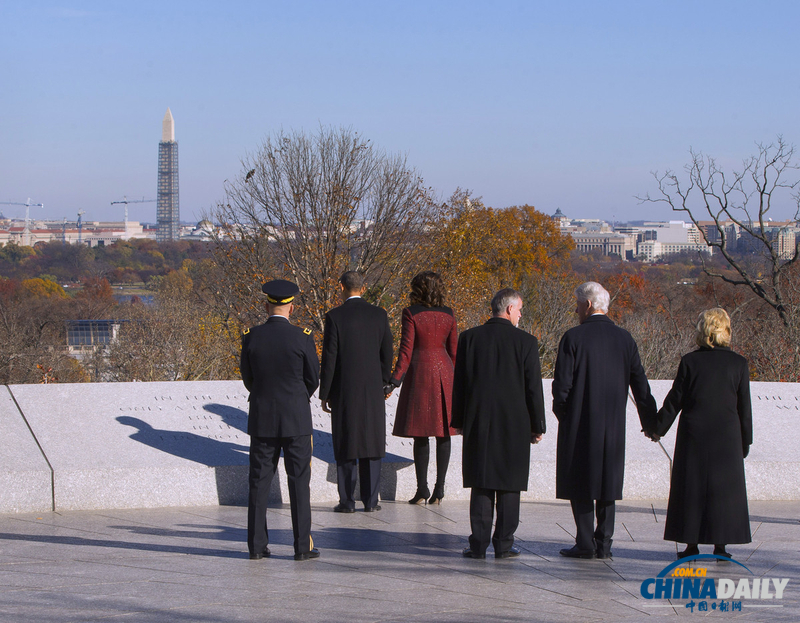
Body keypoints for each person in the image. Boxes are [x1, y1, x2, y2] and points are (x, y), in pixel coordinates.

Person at [552, 281, 657, 560]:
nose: (575, 310)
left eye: (577, 304)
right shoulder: (625, 339)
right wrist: (652, 423)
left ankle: (585, 542)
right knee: (608, 483)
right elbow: (641, 387)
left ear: (587, 305)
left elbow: (561, 387)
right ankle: (604, 543)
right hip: (613, 425)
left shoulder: (573, 338)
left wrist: (566, 417)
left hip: (579, 422)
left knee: (581, 482)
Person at [646, 308, 752, 560]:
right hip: (727, 437)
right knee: (723, 491)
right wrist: (745, 441)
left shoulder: (690, 362)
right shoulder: (739, 363)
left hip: (694, 435)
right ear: (725, 330)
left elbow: (675, 401)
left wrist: (656, 428)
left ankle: (691, 544)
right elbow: (744, 408)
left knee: (690, 488)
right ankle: (721, 546)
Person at [452, 288, 546, 559]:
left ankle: (478, 544)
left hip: (478, 420)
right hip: (515, 423)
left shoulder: (469, 338)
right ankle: (504, 544)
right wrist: (537, 425)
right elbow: (533, 389)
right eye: (519, 310)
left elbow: (460, 386)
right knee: (509, 484)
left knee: (481, 482)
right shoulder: (526, 342)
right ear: (508, 309)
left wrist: (458, 420)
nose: (520, 315)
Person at [240, 279, 320, 561]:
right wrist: (296, 398)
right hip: (296, 419)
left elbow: (249, 379)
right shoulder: (303, 336)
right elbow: (313, 378)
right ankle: (302, 547)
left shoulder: (251, 336)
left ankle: (257, 547)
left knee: (259, 483)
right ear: (292, 307)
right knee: (299, 483)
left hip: (262, 418)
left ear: (266, 305)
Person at [319, 271, 393, 512]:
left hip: (344, 390)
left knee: (346, 443)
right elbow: (387, 353)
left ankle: (347, 501)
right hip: (372, 390)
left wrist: (325, 392)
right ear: (364, 287)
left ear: (341, 287)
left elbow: (330, 359)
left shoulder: (335, 317)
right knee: (371, 443)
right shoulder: (379, 315)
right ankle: (371, 501)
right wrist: (383, 382)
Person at [385, 271, 458, 505]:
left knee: (421, 433)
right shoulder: (449, 314)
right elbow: (454, 352)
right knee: (444, 432)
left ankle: (422, 489)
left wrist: (394, 380)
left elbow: (406, 351)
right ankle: (440, 489)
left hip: (419, 374)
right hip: (445, 373)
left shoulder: (411, 313)